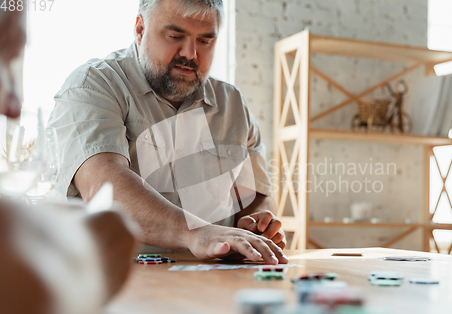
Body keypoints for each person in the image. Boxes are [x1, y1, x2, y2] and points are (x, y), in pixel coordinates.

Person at [48, 0, 289, 264]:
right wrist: (198, 233)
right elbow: (104, 184)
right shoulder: (93, 85)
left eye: (205, 41)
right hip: (112, 281)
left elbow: (257, 195)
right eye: (175, 36)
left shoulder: (233, 104)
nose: (191, 53)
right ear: (140, 29)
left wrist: (257, 224)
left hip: (211, 286)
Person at [0, 9, 136, 314]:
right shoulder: (93, 82)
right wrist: (83, 242)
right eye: (2, 56)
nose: (14, 104)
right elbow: (31, 300)